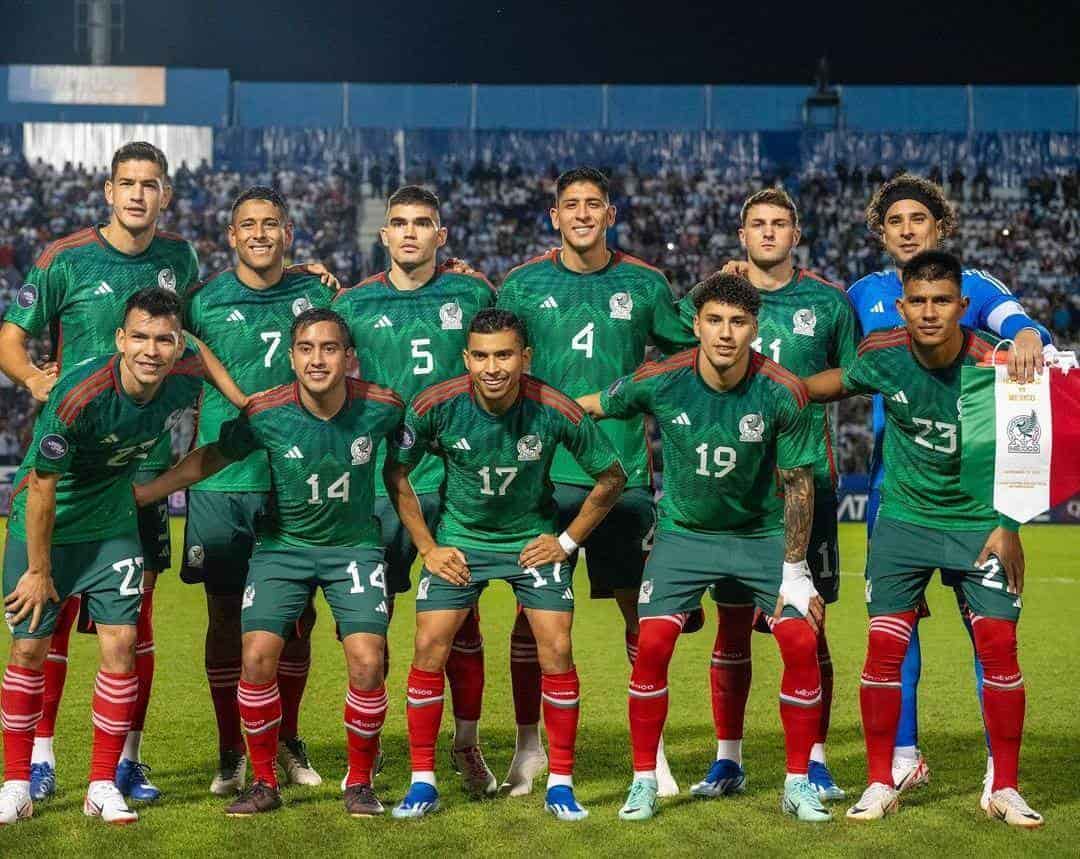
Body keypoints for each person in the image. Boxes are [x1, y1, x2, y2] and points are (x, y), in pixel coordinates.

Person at [132, 308, 403, 817]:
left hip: (354, 548)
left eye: (329, 348)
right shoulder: (266, 412)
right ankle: (262, 781)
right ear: (291, 357)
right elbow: (214, 455)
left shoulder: (383, 407)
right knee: (255, 656)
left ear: (349, 357)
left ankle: (361, 782)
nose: (317, 359)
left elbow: (414, 456)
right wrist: (150, 491)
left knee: (368, 660)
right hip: (283, 548)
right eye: (306, 349)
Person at [579, 273, 830, 823]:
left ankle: (798, 783)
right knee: (652, 644)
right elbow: (592, 405)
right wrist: (530, 407)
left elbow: (798, 485)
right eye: (714, 320)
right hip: (684, 536)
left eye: (738, 322)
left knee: (799, 642)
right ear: (695, 325)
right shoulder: (661, 378)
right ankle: (643, 780)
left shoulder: (783, 390)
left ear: (755, 328)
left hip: (760, 536)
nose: (725, 333)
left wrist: (795, 570)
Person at [805, 250, 1042, 828]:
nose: (929, 312)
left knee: (1000, 652)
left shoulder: (995, 364)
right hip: (903, 524)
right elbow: (836, 383)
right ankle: (880, 781)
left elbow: (1027, 446)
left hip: (978, 526)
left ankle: (1005, 788)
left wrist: (1010, 527)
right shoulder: (882, 353)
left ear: (963, 305)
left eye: (941, 301)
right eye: (918, 301)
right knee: (882, 654)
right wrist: (776, 386)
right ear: (901, 306)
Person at [0, 142, 199, 803]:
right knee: (48, 616)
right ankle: (40, 756)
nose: (139, 194)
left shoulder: (182, 259)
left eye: (151, 184)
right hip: (72, 459)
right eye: (127, 183)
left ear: (166, 194)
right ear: (108, 192)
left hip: (142, 464)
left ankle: (124, 762)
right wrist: (34, 379)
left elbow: (199, 335)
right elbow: (10, 337)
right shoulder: (66, 258)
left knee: (134, 622)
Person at [846, 174, 1053, 800]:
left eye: (920, 219)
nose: (908, 230)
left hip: (973, 499)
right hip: (896, 488)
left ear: (941, 227)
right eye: (896, 221)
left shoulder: (973, 286)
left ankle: (998, 768)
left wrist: (1026, 335)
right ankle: (903, 756)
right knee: (895, 630)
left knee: (987, 634)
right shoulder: (861, 294)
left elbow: (1023, 329)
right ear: (881, 233)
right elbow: (817, 348)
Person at [495, 167, 694, 796]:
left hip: (623, 474)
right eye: (571, 205)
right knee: (531, 617)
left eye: (593, 204)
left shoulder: (646, 284)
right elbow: (494, 356)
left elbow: (687, 355)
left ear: (611, 214)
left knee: (642, 614)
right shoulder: (523, 284)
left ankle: (652, 753)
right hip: (541, 476)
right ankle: (529, 747)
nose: (582, 214)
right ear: (554, 216)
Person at [385, 308, 626, 821]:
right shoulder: (435, 405)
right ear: (466, 357)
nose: (492, 367)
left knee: (557, 648)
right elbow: (396, 472)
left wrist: (566, 542)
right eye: (481, 356)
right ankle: (423, 782)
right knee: (428, 645)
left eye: (504, 355)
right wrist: (428, 547)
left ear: (525, 357)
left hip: (529, 543)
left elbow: (611, 476)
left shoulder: (555, 408)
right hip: (460, 542)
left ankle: (561, 784)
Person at [687, 188, 858, 802]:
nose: (767, 232)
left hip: (805, 484)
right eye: (757, 223)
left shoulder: (828, 301)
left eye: (779, 223)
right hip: (734, 490)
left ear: (796, 232)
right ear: (742, 234)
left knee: (809, 623)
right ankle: (727, 760)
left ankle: (814, 760)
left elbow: (854, 373)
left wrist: (790, 389)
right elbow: (682, 346)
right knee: (732, 625)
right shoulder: (721, 298)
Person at [333, 185, 496, 795]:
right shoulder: (352, 303)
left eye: (422, 222)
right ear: (384, 234)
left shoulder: (472, 293)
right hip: (376, 485)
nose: (409, 232)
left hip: (453, 486)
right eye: (398, 222)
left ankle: (467, 744)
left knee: (461, 628)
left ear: (440, 235)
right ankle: (369, 751)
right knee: (369, 630)